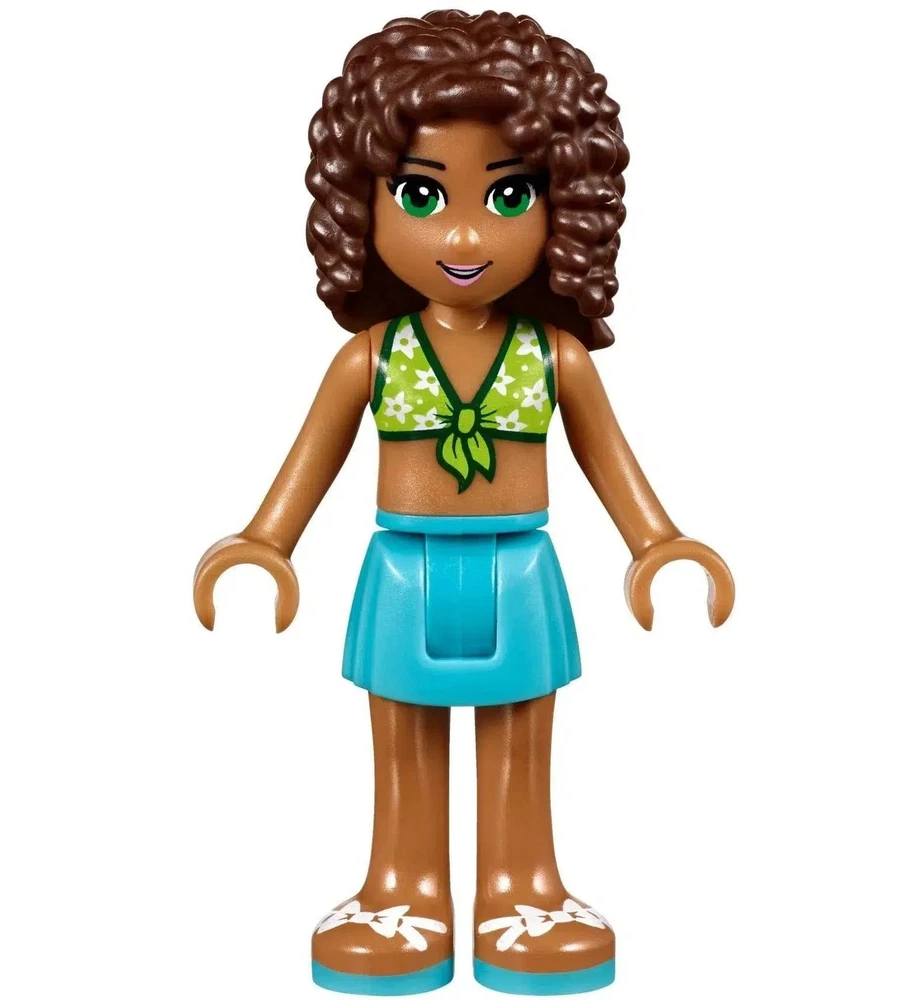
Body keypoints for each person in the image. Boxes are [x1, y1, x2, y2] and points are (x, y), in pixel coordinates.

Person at [194, 10, 734, 996]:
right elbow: (311, 461)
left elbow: (610, 461)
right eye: (421, 193)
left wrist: (657, 544)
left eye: (509, 194)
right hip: (401, 569)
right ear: (360, 204)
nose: (465, 234)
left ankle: (520, 891)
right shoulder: (372, 357)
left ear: (567, 205)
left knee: (520, 735)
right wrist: (265, 544)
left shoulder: (554, 358)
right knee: (402, 737)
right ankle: (402, 891)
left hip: (521, 570)